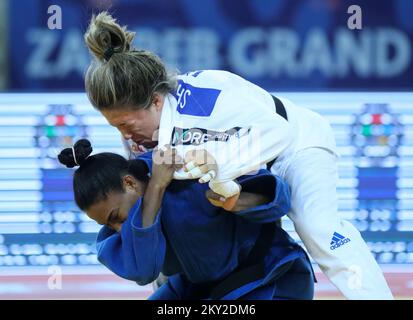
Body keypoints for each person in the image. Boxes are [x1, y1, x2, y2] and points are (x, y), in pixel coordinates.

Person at [82, 12, 393, 299]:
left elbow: (278, 131)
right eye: (115, 126)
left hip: (297, 145)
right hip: (253, 165)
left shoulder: (205, 99)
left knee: (319, 230)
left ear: (156, 101)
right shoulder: (139, 137)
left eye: (125, 123)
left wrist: (219, 167)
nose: (124, 134)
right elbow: (155, 209)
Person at [58, 139, 315, 300]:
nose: (118, 229)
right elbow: (143, 269)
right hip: (203, 290)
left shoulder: (190, 167)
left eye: (116, 217)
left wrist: (236, 200)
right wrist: (156, 187)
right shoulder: (127, 220)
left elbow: (280, 201)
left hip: (270, 279)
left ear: (129, 183)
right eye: (109, 225)